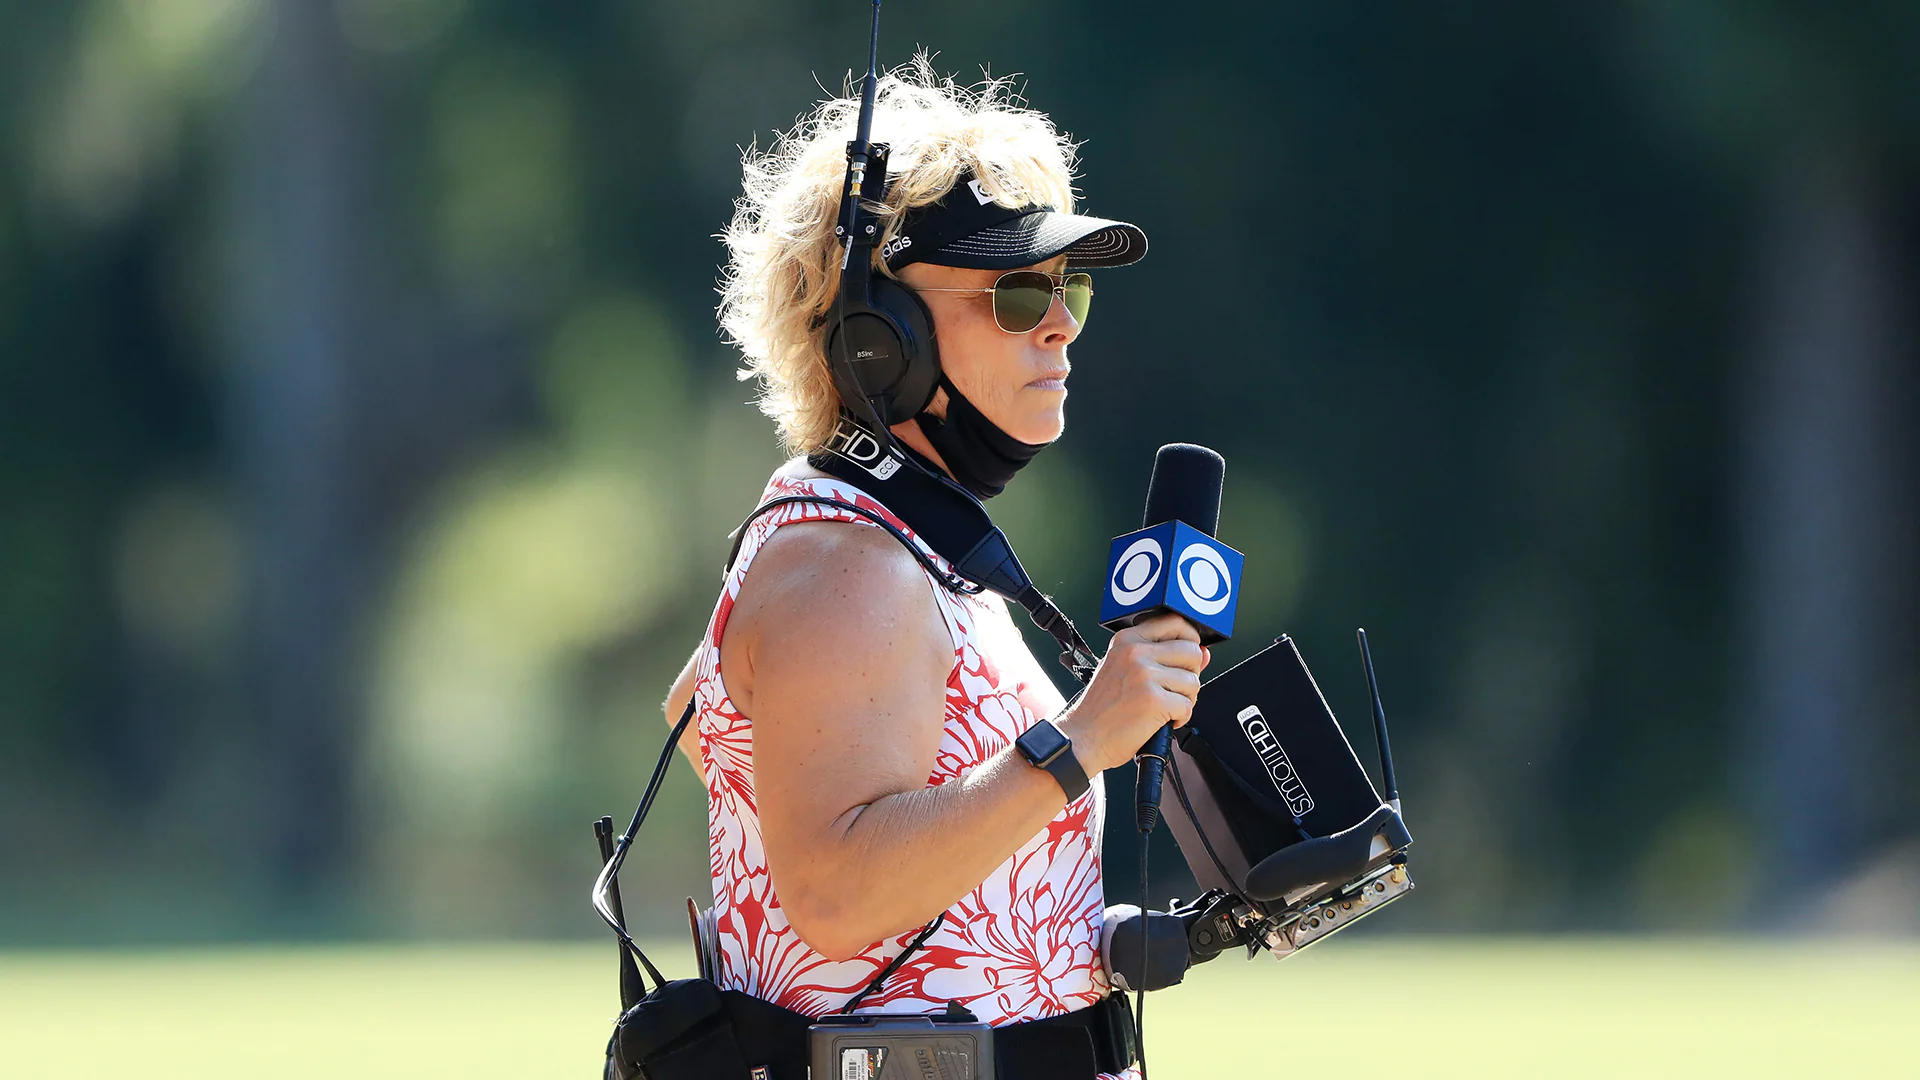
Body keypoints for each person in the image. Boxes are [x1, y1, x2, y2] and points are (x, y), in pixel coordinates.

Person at [662, 62, 1205, 1080]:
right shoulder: (850, 567)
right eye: (1017, 294)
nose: (1063, 325)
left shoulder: (879, 541)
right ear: (880, 338)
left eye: (1069, 287)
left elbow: (701, 713)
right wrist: (1083, 740)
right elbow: (835, 897)